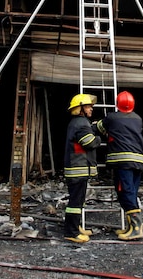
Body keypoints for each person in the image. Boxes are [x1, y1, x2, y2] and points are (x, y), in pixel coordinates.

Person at [95, 90, 143, 240]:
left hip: (123, 162)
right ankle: (131, 228)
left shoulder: (112, 118)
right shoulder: (138, 118)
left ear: (117, 104)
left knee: (125, 192)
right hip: (139, 160)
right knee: (132, 192)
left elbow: (99, 127)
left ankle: (137, 229)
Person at [63, 93, 101, 243]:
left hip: (76, 168)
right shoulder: (81, 123)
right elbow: (89, 143)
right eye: (88, 106)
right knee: (75, 203)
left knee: (78, 201)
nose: (91, 108)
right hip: (78, 168)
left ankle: (76, 227)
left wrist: (92, 128)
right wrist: (98, 137)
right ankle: (71, 233)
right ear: (79, 109)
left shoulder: (78, 123)